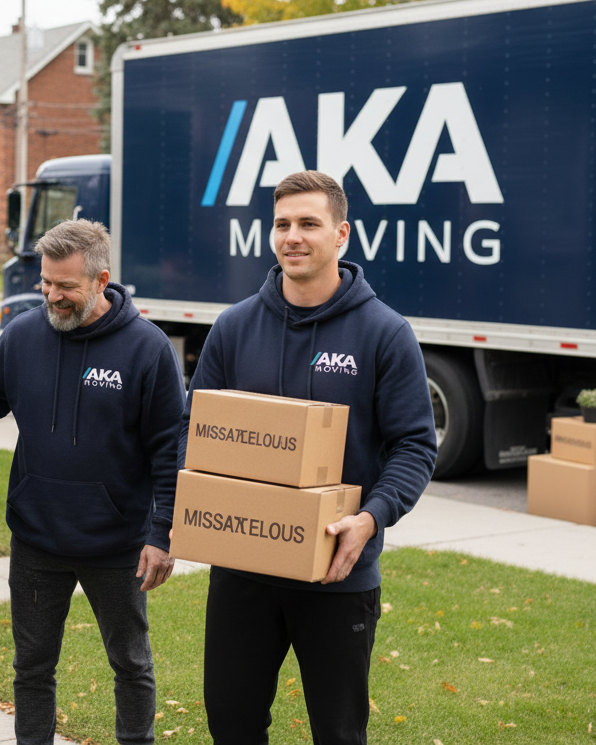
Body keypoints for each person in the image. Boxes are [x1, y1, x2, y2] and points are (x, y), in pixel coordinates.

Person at [182, 171, 437, 745]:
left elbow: (415, 445)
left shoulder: (384, 333)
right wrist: (187, 498)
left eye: (308, 224)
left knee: (338, 733)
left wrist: (370, 518)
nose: (292, 237)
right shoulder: (234, 327)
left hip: (337, 572)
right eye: (282, 224)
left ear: (341, 234)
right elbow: (192, 427)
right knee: (232, 724)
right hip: (243, 568)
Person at [0, 218, 184, 745]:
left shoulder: (147, 348)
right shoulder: (22, 335)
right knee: (31, 667)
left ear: (101, 280)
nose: (51, 295)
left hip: (117, 543)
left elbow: (169, 451)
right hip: (36, 537)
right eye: (46, 282)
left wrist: (162, 533)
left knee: (130, 664)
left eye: (65, 286)